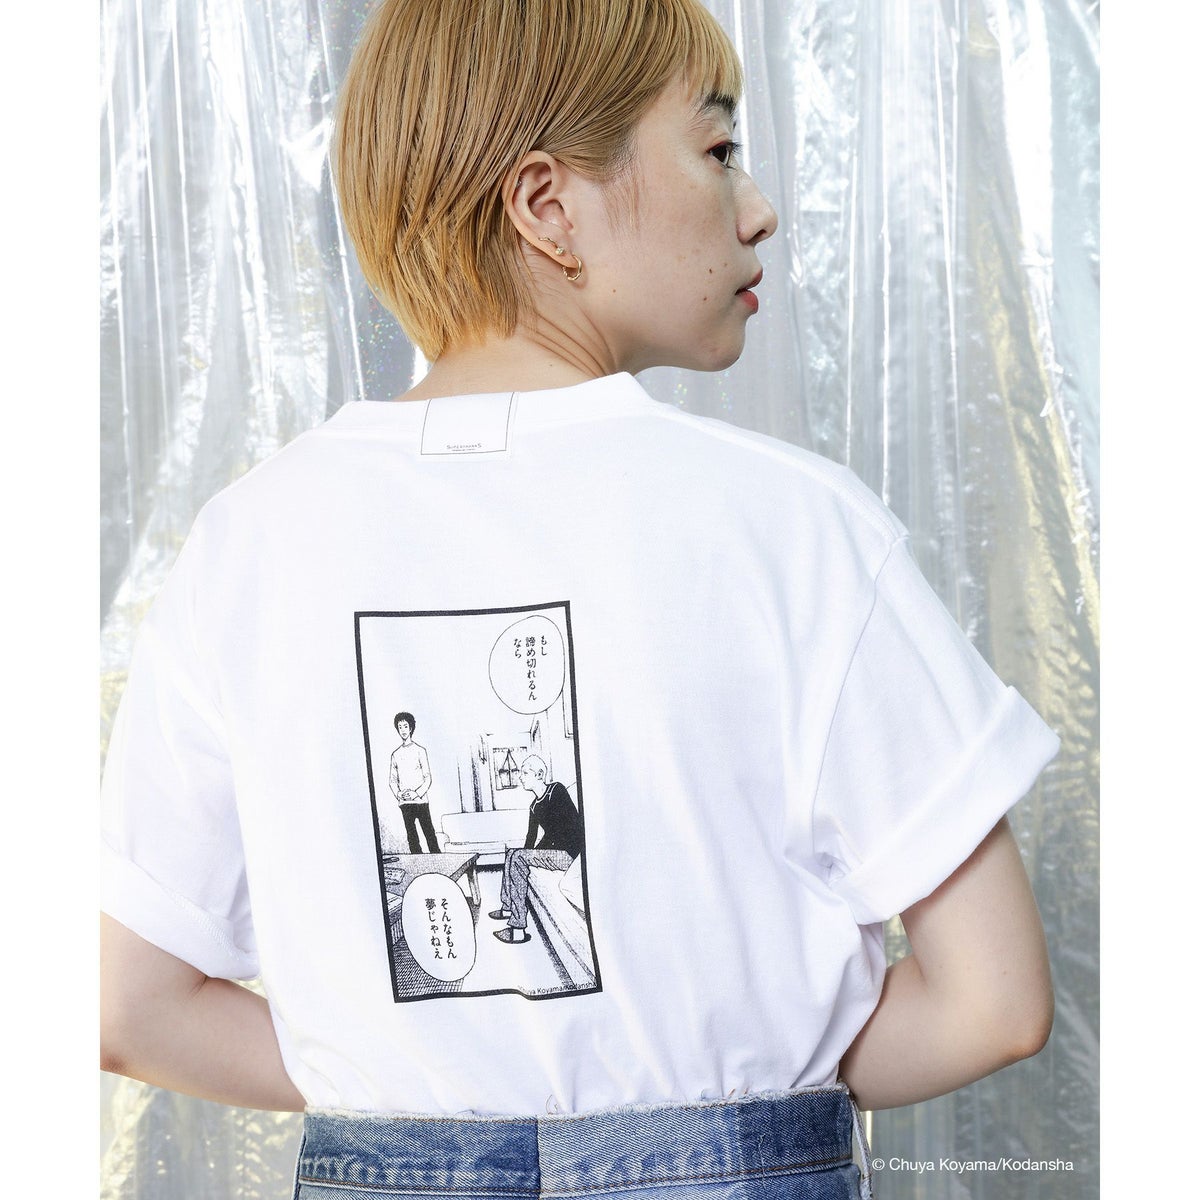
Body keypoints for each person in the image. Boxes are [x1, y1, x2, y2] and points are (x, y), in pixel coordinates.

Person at [99, 1, 1057, 1197]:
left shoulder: (243, 547)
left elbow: (128, 1007)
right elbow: (995, 1004)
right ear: (547, 206)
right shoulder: (796, 527)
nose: (759, 207)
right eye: (718, 149)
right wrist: (731, 1106)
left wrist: (421, 1092)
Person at [490, 755, 582, 945]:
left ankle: (518, 930)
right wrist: (526, 856)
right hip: (554, 853)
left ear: (539, 775)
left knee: (518, 857)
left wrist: (526, 857)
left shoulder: (556, 790)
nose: (520, 777)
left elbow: (568, 828)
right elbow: (530, 839)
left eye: (525, 773)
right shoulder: (534, 806)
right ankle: (507, 907)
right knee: (512, 854)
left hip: (569, 853)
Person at [388, 710, 440, 853]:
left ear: (411, 728)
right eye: (400, 727)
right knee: (412, 838)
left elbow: (428, 778)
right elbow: (392, 781)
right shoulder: (395, 754)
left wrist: (416, 793)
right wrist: (399, 794)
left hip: (420, 801)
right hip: (405, 803)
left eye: (405, 726)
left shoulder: (420, 751)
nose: (403, 730)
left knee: (429, 835)